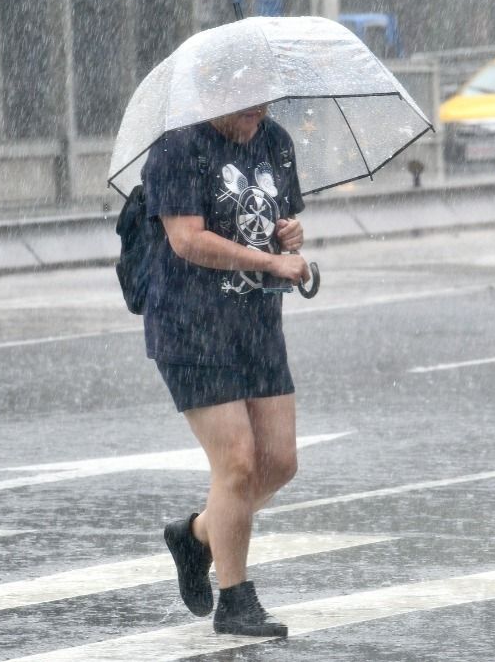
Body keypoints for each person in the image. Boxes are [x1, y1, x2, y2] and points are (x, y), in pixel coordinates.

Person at [144, 103, 311, 637]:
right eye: (246, 107)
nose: (257, 115)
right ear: (215, 96)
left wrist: (289, 237)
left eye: (265, 103)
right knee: (236, 463)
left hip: (257, 326)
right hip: (190, 327)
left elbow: (275, 220)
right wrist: (268, 262)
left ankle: (195, 537)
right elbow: (187, 239)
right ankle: (235, 601)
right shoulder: (177, 147)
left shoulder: (274, 140)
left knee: (279, 462)